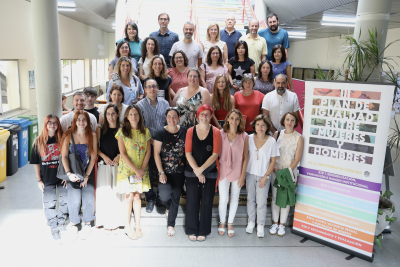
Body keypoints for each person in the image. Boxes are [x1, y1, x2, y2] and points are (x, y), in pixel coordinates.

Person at [185, 105, 222, 241]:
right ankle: (192, 229)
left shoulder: (216, 132)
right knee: (192, 201)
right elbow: (188, 153)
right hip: (192, 172)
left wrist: (202, 170)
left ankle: (203, 230)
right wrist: (197, 171)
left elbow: (215, 154)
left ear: (211, 116)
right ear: (197, 116)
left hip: (210, 171)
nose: (205, 117)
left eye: (207, 115)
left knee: (207, 202)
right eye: (202, 114)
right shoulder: (190, 131)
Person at [116, 105, 151, 240]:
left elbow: (148, 152)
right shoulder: (122, 132)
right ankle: (127, 226)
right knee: (129, 197)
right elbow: (123, 154)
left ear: (139, 116)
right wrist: (136, 170)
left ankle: (137, 225)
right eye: (130, 114)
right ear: (126, 117)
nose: (133, 117)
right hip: (127, 170)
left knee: (137, 197)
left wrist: (141, 169)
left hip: (141, 169)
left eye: (136, 114)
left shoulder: (145, 131)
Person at [60, 111, 97, 240]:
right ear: (74, 122)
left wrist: (87, 176)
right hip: (73, 173)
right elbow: (64, 156)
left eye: (84, 120)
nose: (81, 122)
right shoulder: (68, 135)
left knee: (88, 198)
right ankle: (74, 223)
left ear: (88, 122)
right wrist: (68, 174)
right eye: (78, 120)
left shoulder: (92, 135)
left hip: (88, 171)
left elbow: (93, 157)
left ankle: (87, 223)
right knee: (74, 199)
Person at [31, 114, 66, 243]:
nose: (52, 125)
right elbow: (36, 162)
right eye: (49, 122)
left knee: (65, 199)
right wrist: (38, 179)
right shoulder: (38, 141)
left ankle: (61, 221)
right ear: (45, 125)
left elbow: (67, 158)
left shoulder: (63, 139)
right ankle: (53, 225)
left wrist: (67, 176)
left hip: (61, 177)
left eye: (55, 122)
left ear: (58, 125)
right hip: (47, 178)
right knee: (49, 203)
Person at [137, 79, 170, 213]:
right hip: (148, 144)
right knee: (149, 172)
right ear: (144, 89)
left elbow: (168, 121)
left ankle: (161, 199)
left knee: (163, 171)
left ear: (158, 88)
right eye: (149, 87)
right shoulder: (140, 105)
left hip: (163, 144)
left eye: (154, 86)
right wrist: (150, 140)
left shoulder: (165, 103)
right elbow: (139, 126)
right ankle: (150, 198)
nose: (152, 89)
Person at [153, 107, 187, 236]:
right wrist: (161, 172)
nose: (172, 119)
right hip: (165, 171)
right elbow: (156, 154)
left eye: (174, 116)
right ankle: (166, 206)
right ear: (166, 118)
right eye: (169, 117)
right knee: (164, 196)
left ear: (178, 118)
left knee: (176, 197)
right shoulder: (160, 133)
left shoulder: (184, 131)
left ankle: (171, 224)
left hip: (179, 171)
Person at [270, 112, 303, 236]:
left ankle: (282, 225)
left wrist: (287, 172)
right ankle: (275, 223)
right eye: (287, 119)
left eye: (292, 120)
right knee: (275, 196)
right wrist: (274, 169)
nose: (289, 122)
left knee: (286, 198)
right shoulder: (277, 134)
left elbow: (297, 158)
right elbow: (271, 153)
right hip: (276, 170)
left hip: (290, 171)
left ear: (295, 122)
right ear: (283, 121)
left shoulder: (299, 137)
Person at [245, 115, 279, 237]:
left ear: (267, 127)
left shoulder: (271, 141)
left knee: (262, 201)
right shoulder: (248, 138)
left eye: (263, 125)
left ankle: (260, 225)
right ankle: (251, 222)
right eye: (258, 124)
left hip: (263, 175)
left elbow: (273, 161)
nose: (260, 127)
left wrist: (266, 176)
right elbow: (244, 157)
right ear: (254, 125)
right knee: (250, 199)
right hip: (250, 174)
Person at [218, 109, 249, 237]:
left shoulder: (244, 136)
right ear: (227, 119)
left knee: (235, 197)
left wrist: (243, 176)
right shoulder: (220, 133)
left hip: (238, 170)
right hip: (223, 169)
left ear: (240, 120)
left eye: (237, 118)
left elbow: (246, 157)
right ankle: (222, 222)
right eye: (232, 118)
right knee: (224, 198)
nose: (234, 121)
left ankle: (230, 222)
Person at [95, 104, 124, 232]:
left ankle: (119, 220)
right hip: (104, 163)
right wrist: (103, 156)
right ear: (104, 115)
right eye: (108, 114)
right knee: (105, 192)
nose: (110, 116)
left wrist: (119, 156)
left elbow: (126, 147)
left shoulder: (122, 129)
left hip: (118, 164)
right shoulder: (100, 129)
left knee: (118, 193)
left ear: (117, 114)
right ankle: (105, 220)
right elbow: (95, 147)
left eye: (113, 114)